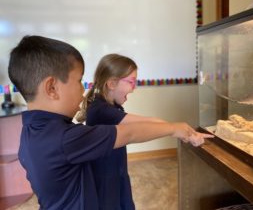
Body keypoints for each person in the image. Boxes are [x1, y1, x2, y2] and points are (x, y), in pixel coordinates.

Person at [8, 35, 213, 210]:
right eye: (78, 80)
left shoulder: (32, 132)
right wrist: (176, 128)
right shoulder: (64, 139)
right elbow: (130, 132)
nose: (82, 89)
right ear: (52, 87)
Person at [76, 54, 212, 210]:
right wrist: (177, 129)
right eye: (131, 82)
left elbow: (149, 121)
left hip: (116, 169)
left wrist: (184, 130)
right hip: (105, 175)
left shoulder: (109, 105)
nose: (134, 87)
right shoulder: (100, 109)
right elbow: (143, 123)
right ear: (112, 83)